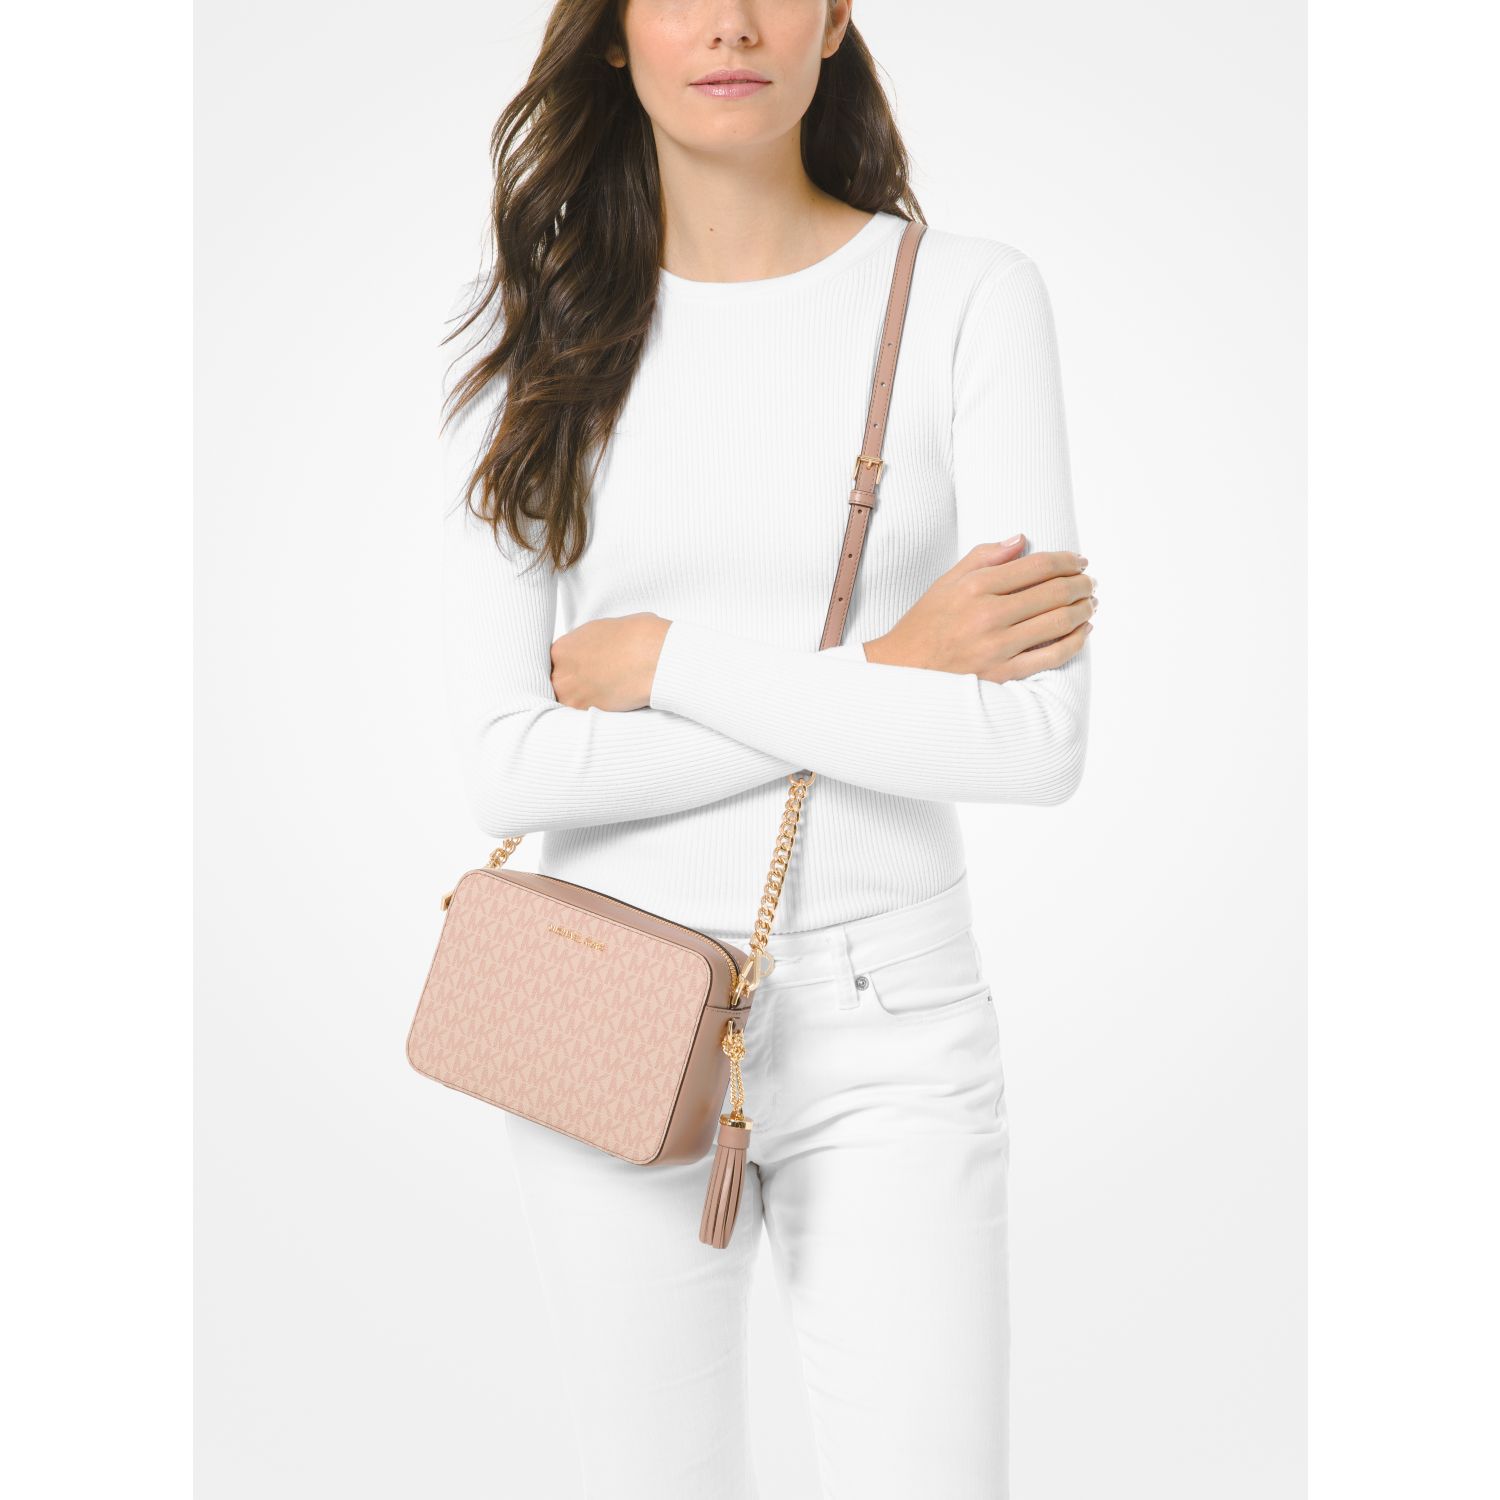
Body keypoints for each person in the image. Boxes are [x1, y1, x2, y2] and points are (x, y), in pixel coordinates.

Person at [437, 3, 1096, 1496]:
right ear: (614, 34)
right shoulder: (542, 322)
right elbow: (510, 768)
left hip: (893, 1011)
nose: (730, 23)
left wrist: (668, 664)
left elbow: (1032, 742)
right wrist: (892, 666)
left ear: (837, 14)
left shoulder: (965, 298)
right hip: (599, 989)